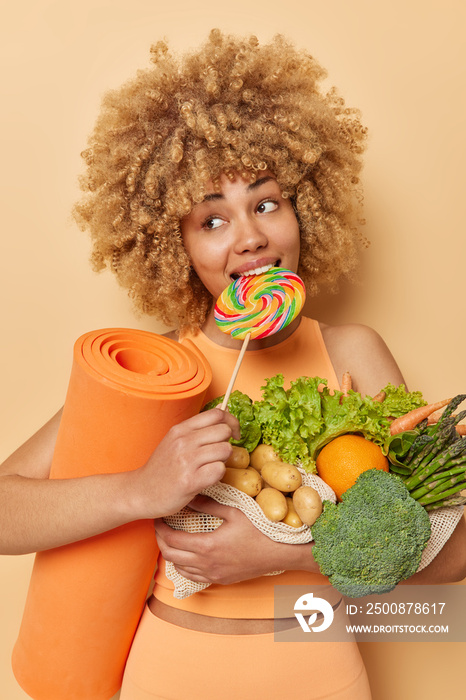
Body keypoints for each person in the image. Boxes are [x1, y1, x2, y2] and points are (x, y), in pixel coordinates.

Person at [2, 29, 466, 700]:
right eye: (212, 220)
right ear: (173, 242)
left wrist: (280, 554)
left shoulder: (352, 353)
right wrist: (140, 488)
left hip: (321, 672)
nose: (249, 237)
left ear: (306, 208)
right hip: (170, 675)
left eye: (266, 203)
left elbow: (453, 554)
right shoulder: (159, 370)